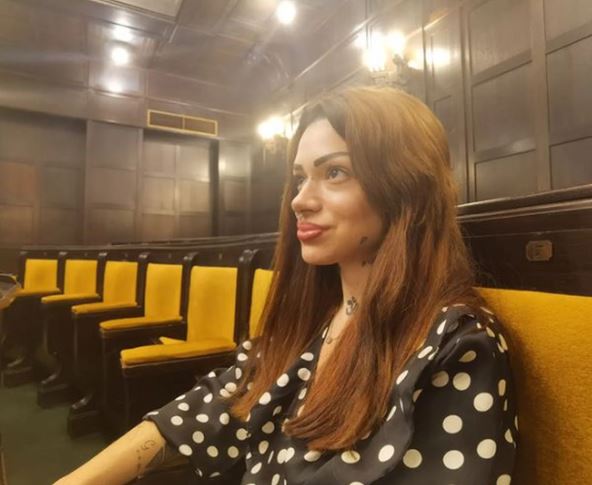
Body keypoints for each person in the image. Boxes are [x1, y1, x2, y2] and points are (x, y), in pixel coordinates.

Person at [55, 86, 517, 485]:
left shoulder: (458, 345)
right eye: (299, 179)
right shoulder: (318, 318)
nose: (300, 200)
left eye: (334, 172)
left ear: (404, 187)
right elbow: (210, 407)